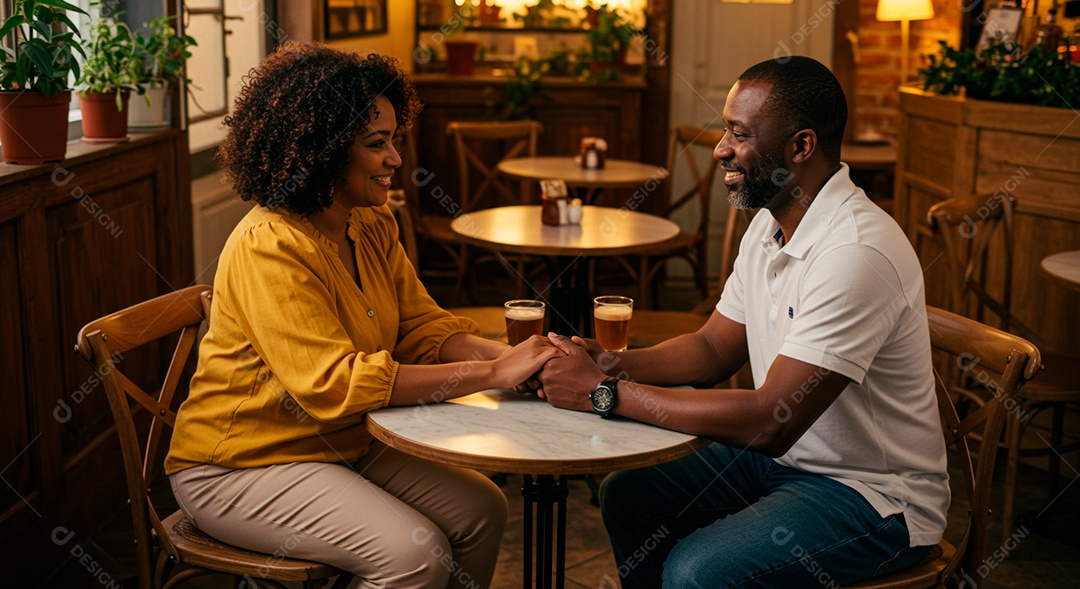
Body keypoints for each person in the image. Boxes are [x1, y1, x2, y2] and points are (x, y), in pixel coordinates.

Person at [536, 56, 948, 588]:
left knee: (696, 573)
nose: (720, 148)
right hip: (788, 464)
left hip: (873, 496)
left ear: (801, 146)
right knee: (629, 492)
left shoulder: (855, 250)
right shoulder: (771, 223)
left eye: (739, 133)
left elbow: (771, 420)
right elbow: (713, 349)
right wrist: (609, 360)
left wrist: (605, 392)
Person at [165, 42, 562, 589]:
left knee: (482, 509)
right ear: (322, 151)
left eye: (395, 140)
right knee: (412, 557)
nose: (397, 159)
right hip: (241, 463)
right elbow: (333, 385)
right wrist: (495, 375)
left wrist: (516, 356)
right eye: (378, 144)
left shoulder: (371, 223)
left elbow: (423, 327)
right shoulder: (270, 245)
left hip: (343, 442)